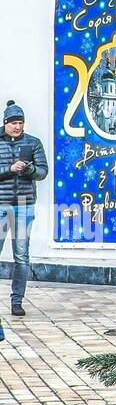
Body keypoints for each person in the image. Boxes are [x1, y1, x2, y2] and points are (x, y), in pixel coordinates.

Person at [0, 101, 48, 333]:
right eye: (14, 123)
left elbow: (43, 171)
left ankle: (17, 301)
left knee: (21, 256)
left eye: (20, 123)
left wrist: (29, 169)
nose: (18, 127)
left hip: (24, 205)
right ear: (5, 123)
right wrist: (10, 169)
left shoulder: (33, 142)